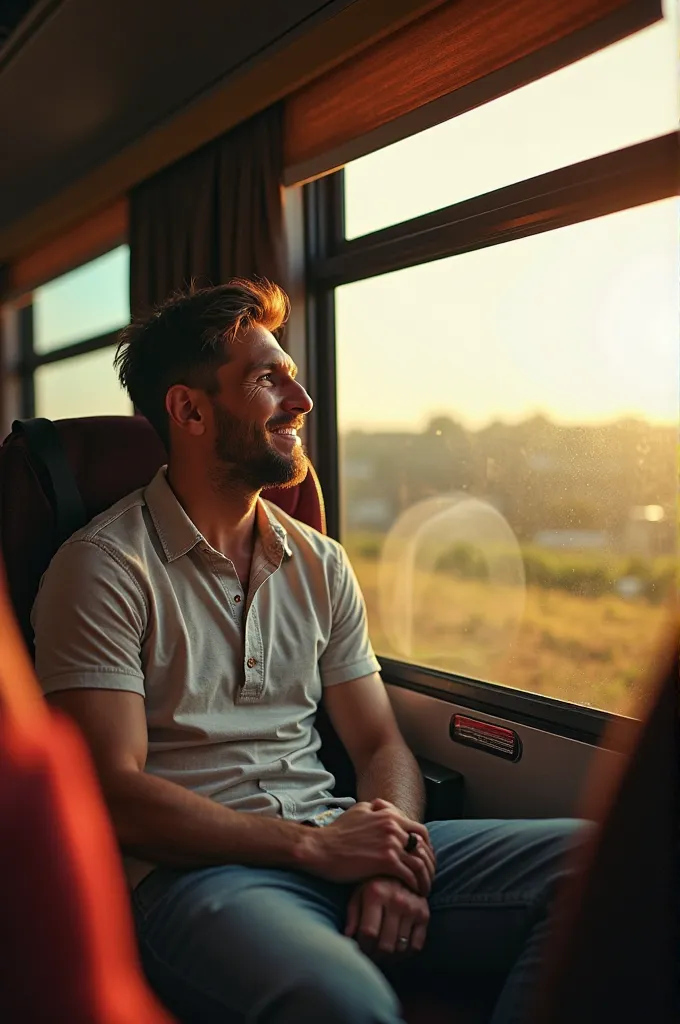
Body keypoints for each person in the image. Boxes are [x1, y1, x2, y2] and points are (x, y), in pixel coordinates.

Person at [32, 279, 587, 1024]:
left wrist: (390, 856)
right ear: (189, 410)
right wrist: (313, 852)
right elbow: (111, 790)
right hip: (201, 878)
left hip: (331, 835)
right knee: (341, 1003)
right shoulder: (102, 567)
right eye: (268, 379)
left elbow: (378, 739)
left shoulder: (320, 561)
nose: (302, 400)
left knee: (607, 863)